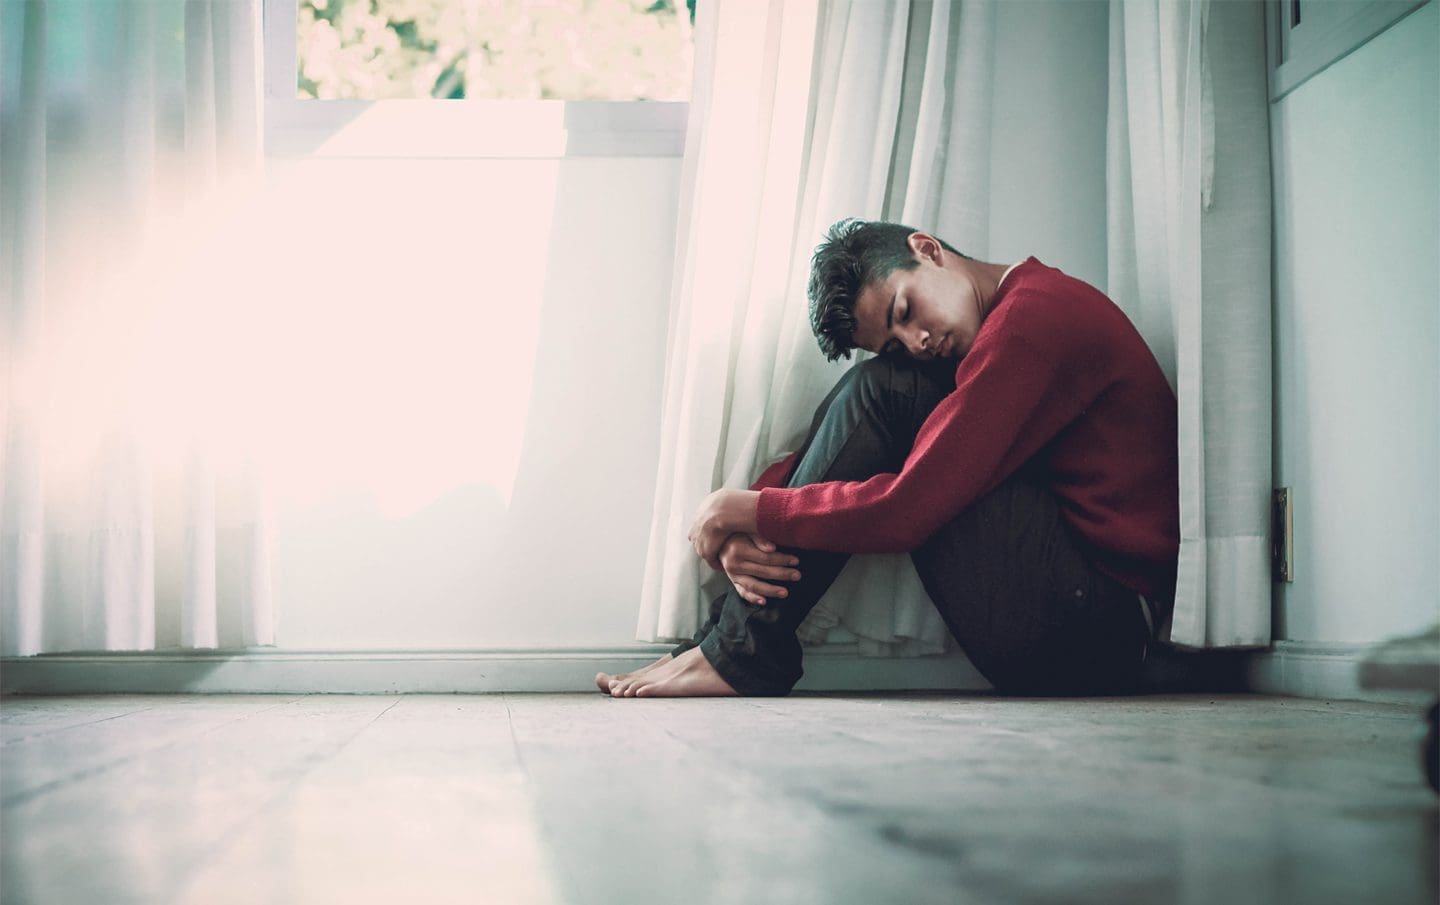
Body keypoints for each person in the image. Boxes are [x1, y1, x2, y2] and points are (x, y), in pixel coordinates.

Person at [597, 219, 1179, 698]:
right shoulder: (1005, 324)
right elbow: (846, 446)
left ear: (927, 250)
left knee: (885, 390)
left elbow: (909, 509)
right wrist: (744, 518)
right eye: (898, 338)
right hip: (1073, 610)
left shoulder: (1033, 323)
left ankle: (739, 653)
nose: (919, 341)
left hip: (1098, 632)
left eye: (905, 309)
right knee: (881, 384)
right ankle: (730, 645)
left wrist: (746, 511)